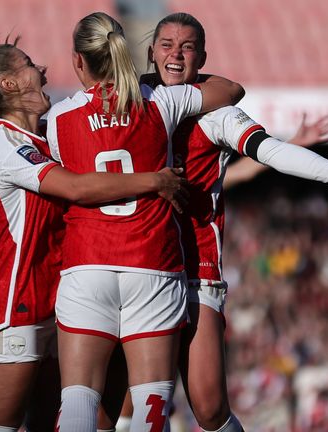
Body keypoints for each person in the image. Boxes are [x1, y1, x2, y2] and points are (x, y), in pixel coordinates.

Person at [101, 13, 328, 432]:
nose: (176, 54)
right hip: (136, 266)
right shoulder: (132, 101)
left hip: (195, 272)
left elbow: (268, 150)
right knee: (129, 403)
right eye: (166, 44)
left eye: (187, 47)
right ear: (151, 51)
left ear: (203, 56)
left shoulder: (218, 112)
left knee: (208, 408)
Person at [0, 21, 191, 432]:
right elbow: (75, 187)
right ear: (8, 84)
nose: (40, 69)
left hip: (61, 297)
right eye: (27, 65)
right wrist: (154, 179)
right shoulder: (5, 142)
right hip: (16, 302)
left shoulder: (44, 138)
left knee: (69, 420)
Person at [44, 12, 246, 431]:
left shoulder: (58, 119)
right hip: (152, 263)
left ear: (78, 61)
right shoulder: (160, 102)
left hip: (87, 264)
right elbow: (231, 90)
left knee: (81, 404)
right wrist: (179, 68)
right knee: (151, 407)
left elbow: (63, 181)